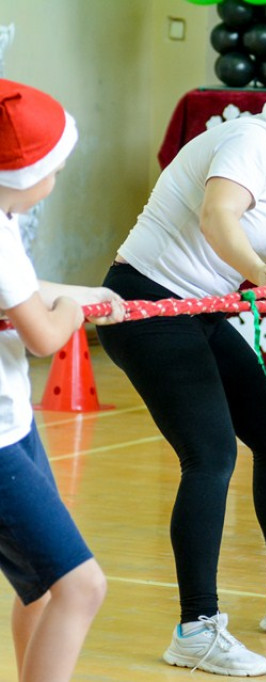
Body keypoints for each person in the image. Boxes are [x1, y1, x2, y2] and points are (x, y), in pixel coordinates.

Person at [96, 38, 266, 676]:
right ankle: (196, 628)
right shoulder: (248, 140)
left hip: (201, 309)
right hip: (147, 306)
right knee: (210, 455)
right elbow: (221, 218)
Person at [0, 78, 124, 682]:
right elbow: (44, 338)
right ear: (24, 176)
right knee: (82, 587)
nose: (58, 180)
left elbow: (25, 293)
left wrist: (90, 294)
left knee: (42, 590)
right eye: (56, 169)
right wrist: (77, 314)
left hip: (13, 426)